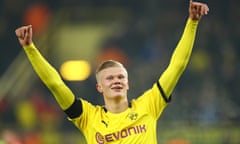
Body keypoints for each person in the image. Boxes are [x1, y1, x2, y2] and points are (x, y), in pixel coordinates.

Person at [15, 1, 209, 143]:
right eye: (110, 78)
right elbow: (55, 84)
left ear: (127, 83)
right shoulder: (88, 117)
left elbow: (177, 65)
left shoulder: (149, 105)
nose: (116, 80)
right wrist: (30, 48)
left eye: (120, 77)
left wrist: (192, 23)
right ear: (99, 86)